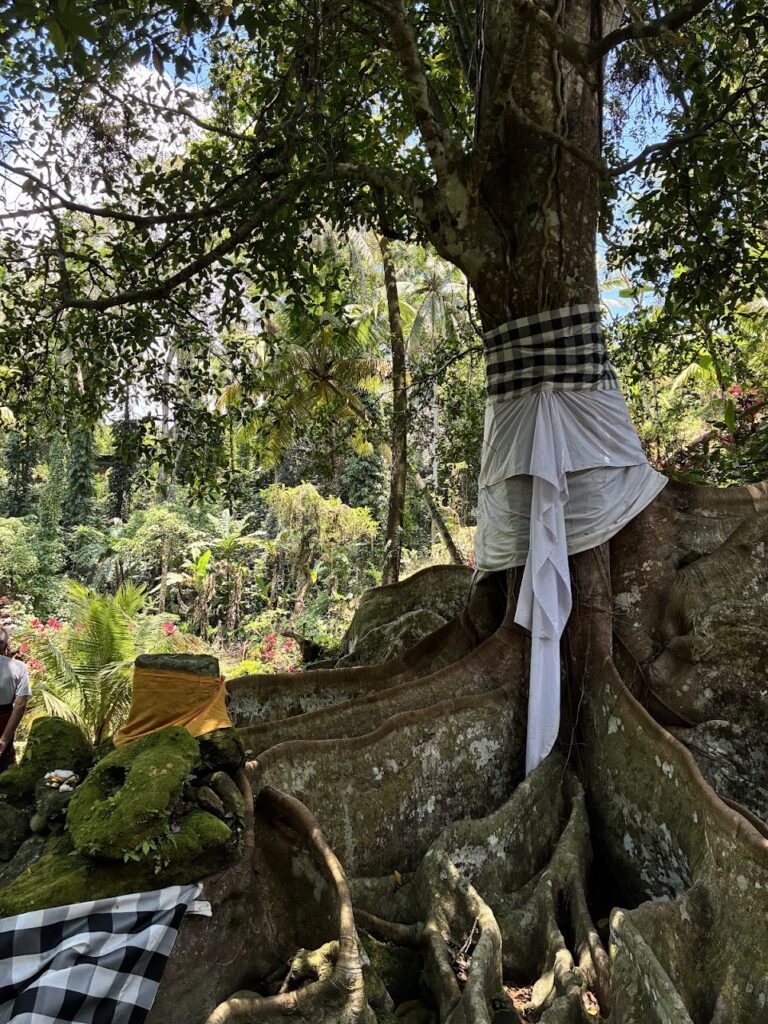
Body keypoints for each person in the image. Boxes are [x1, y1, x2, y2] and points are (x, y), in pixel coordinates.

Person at [0, 626, 31, 773]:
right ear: (6, 646)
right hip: (3, 723)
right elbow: (20, 704)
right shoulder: (19, 667)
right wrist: (4, 740)